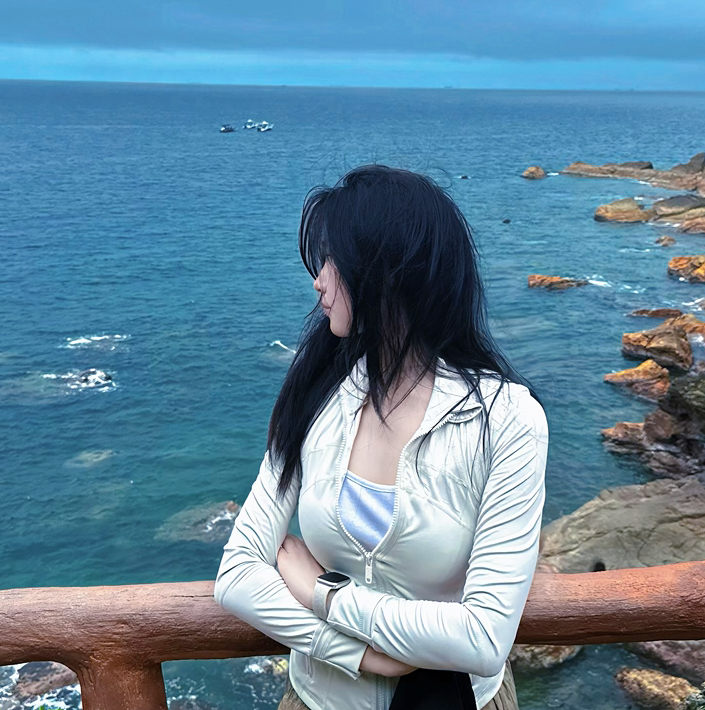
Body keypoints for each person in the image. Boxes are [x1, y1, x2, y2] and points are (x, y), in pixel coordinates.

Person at [215, 165, 549, 710]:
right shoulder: (314, 396)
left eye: (332, 261)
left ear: (387, 273)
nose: (318, 281)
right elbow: (235, 577)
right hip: (317, 700)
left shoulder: (506, 419)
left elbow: (483, 639)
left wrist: (324, 592)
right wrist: (362, 655)